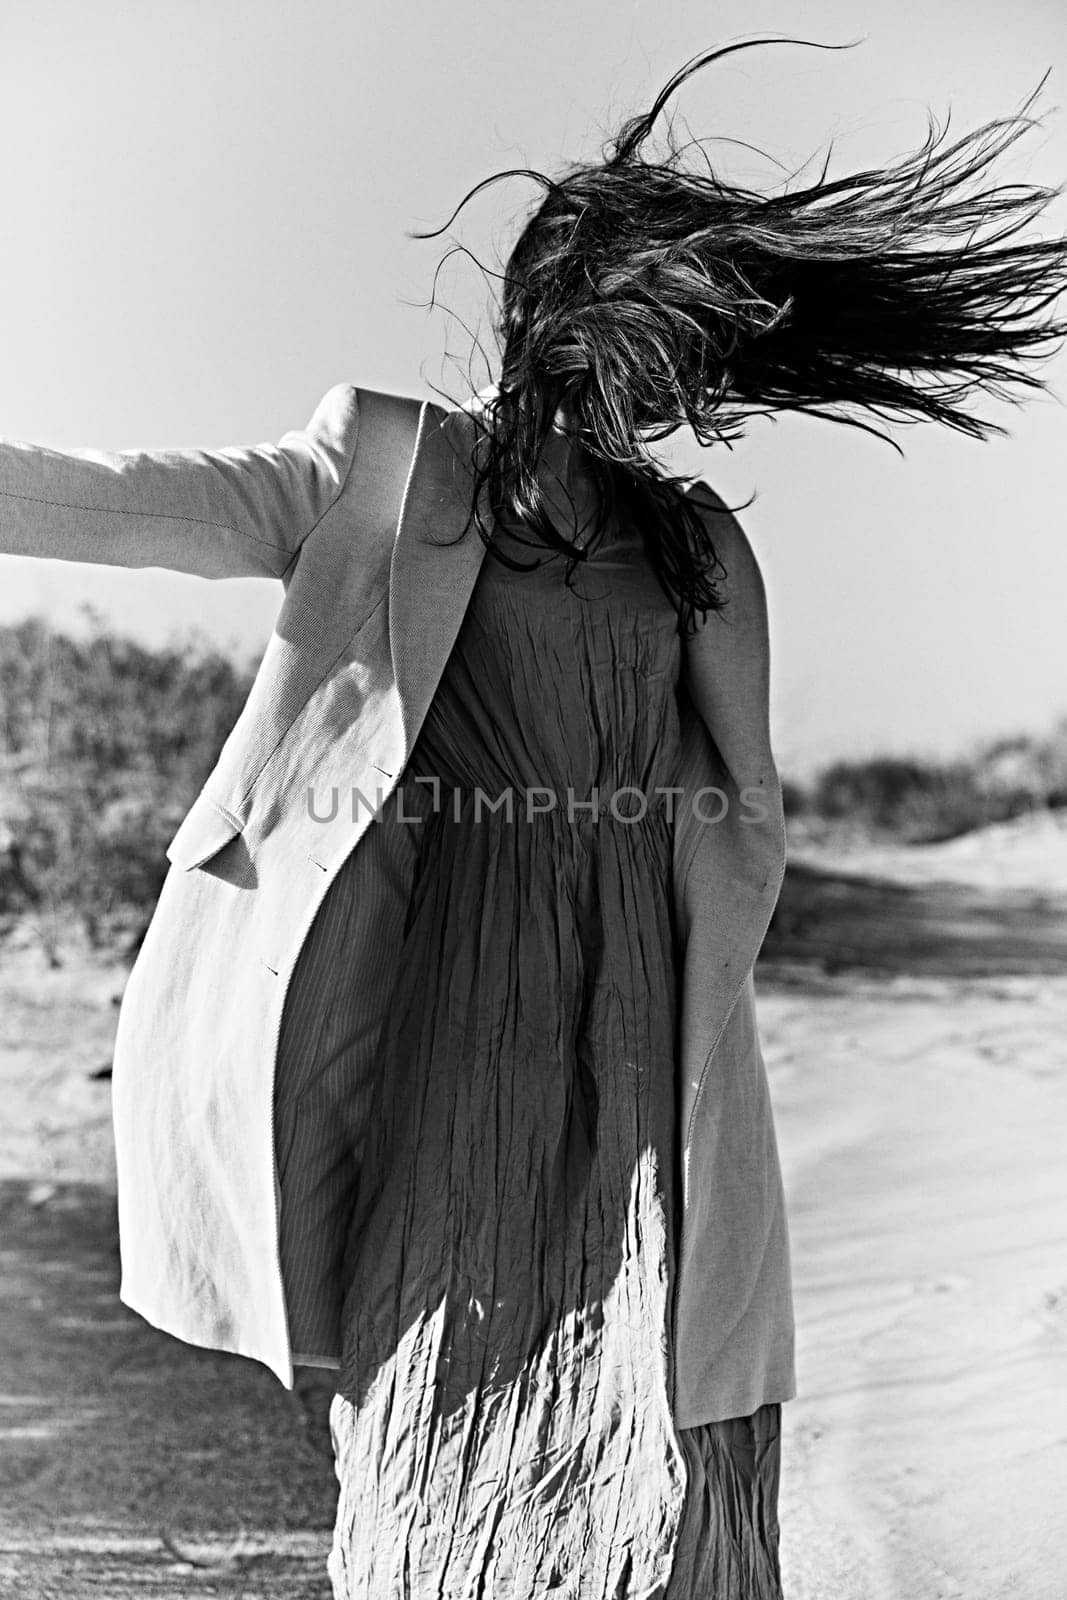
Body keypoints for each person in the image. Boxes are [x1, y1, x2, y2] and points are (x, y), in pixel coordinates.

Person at [1, 38, 1065, 1600]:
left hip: (646, 1007)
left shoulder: (687, 544)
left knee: (666, 1391)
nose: (685, 399)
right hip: (457, 1001)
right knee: (455, 1370)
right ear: (575, 328)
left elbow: (736, 800)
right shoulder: (388, 476)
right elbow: (131, 498)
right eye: (665, 357)